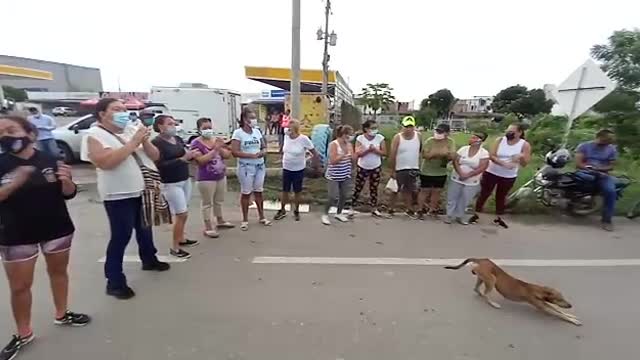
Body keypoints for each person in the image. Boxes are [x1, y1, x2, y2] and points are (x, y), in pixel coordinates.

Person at [0, 115, 90, 360]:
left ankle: (62, 314)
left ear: (30, 134)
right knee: (20, 287)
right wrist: (13, 183)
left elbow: (68, 194)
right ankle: (23, 332)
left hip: (56, 228)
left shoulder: (51, 159)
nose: (6, 137)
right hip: (16, 233)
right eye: (1, 134)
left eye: (11, 130)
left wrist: (67, 182)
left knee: (59, 273)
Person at [81, 98, 170, 300]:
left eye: (124, 109)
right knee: (121, 236)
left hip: (142, 190)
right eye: (116, 109)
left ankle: (149, 259)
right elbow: (106, 162)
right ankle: (114, 281)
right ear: (102, 113)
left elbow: (155, 156)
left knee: (145, 227)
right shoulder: (94, 135)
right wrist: (133, 143)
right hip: (118, 194)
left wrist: (144, 140)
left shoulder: (131, 130)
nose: (122, 112)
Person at [152, 115, 200, 259]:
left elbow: (184, 154)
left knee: (183, 212)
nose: (173, 126)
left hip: (184, 179)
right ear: (160, 126)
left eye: (174, 123)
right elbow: (158, 165)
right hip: (170, 182)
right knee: (181, 214)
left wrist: (191, 155)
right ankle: (175, 247)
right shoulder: (156, 143)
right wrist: (182, 159)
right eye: (170, 124)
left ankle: (181, 238)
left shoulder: (177, 139)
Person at [473, 123, 531, 228]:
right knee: (484, 194)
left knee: (501, 197)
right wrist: (503, 163)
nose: (508, 133)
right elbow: (491, 155)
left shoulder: (524, 145)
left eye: (512, 131)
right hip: (492, 172)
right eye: (508, 131)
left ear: (519, 133)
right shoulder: (500, 140)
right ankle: (476, 215)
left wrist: (521, 156)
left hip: (508, 176)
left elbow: (525, 163)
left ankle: (499, 218)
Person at [191, 117, 235, 238]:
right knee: (207, 203)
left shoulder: (215, 140)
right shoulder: (196, 143)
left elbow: (226, 156)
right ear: (199, 129)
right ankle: (208, 226)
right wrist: (215, 149)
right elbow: (201, 161)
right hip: (206, 178)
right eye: (205, 128)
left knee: (218, 200)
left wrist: (226, 147)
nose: (208, 130)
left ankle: (220, 220)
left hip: (220, 175)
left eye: (209, 128)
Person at [231, 108, 272, 231]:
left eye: (255, 117)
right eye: (251, 117)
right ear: (244, 119)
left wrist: (263, 152)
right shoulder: (238, 133)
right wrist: (250, 155)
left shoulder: (257, 131)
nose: (254, 120)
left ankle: (262, 217)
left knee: (259, 191)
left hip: (259, 166)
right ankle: (244, 219)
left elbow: (264, 146)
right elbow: (235, 152)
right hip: (246, 167)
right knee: (246, 193)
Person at [274, 119, 319, 221]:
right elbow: (284, 148)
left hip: (298, 169)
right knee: (285, 190)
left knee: (297, 191)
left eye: (291, 128)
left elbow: (314, 153)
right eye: (288, 128)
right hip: (286, 168)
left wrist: (315, 164)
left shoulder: (303, 139)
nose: (288, 130)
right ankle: (282, 210)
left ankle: (296, 210)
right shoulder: (286, 136)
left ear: (295, 129)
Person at [575, 129, 619, 231]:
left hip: (602, 174)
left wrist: (598, 170)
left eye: (608, 142)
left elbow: (611, 166)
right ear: (597, 137)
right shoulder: (584, 146)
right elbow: (579, 163)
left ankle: (607, 220)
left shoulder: (611, 149)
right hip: (585, 172)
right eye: (604, 141)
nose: (605, 144)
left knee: (610, 191)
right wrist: (590, 168)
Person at [445, 131, 490, 224]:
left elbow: (482, 167)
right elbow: (455, 161)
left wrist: (468, 175)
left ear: (480, 141)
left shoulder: (484, 153)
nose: (471, 139)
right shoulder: (463, 149)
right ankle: (449, 215)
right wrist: (461, 173)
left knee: (465, 198)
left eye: (474, 138)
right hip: (457, 177)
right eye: (471, 137)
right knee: (452, 197)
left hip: (472, 180)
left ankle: (460, 216)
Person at [418, 123, 456, 219]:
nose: (438, 133)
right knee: (424, 191)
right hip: (427, 171)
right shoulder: (429, 141)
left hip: (441, 172)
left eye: (441, 132)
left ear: (447, 133)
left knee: (437, 191)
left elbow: (452, 156)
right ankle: (419, 210)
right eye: (437, 131)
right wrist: (440, 153)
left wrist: (437, 154)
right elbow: (425, 155)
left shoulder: (450, 142)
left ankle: (432, 210)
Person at [352, 120, 387, 217]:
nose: (375, 130)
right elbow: (358, 153)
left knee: (374, 188)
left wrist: (375, 150)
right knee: (358, 187)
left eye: (376, 127)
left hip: (375, 167)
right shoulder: (360, 138)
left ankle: (374, 208)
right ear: (366, 129)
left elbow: (384, 153)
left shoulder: (380, 138)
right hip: (362, 166)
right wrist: (368, 150)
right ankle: (352, 207)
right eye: (372, 128)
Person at [388, 116, 421, 219]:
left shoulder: (418, 136)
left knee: (409, 190)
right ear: (402, 126)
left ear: (414, 127)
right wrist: (392, 169)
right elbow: (392, 154)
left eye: (410, 126)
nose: (408, 129)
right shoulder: (398, 137)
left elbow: (420, 150)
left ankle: (409, 209)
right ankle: (391, 208)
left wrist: (419, 165)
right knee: (395, 190)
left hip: (413, 168)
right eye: (406, 126)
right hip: (400, 168)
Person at [322, 125, 355, 225]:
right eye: (350, 135)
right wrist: (343, 154)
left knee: (344, 195)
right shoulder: (334, 144)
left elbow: (352, 158)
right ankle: (325, 214)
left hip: (345, 174)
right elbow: (332, 161)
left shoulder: (349, 145)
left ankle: (339, 213)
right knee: (332, 196)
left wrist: (354, 162)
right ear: (344, 134)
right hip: (333, 175)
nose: (351, 137)